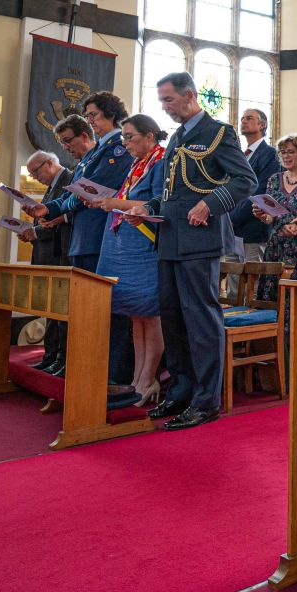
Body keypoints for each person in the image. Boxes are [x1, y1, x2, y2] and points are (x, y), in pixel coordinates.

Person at [144, 72, 258, 431]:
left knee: (200, 320)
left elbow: (245, 180)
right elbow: (172, 191)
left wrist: (210, 204)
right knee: (172, 318)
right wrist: (147, 209)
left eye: (168, 99)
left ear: (189, 96)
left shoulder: (218, 133)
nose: (164, 107)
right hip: (169, 238)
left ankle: (206, 400)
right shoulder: (178, 137)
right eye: (162, 101)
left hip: (198, 239)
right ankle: (181, 390)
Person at [27, 114, 131, 391]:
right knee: (84, 312)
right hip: (81, 241)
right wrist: (52, 208)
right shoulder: (88, 160)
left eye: (67, 141)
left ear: (84, 136)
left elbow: (92, 193)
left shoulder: (111, 153)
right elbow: (76, 196)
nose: (65, 148)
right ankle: (82, 364)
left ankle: (108, 372)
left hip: (98, 239)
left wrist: (59, 208)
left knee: (104, 311)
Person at [92, 114, 169, 407]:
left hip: (146, 247)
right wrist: (105, 200)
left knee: (151, 313)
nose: (124, 143)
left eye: (129, 137)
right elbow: (130, 198)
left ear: (149, 136)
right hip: (127, 247)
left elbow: (157, 203)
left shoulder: (160, 162)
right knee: (136, 316)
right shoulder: (138, 163)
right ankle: (137, 379)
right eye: (123, 137)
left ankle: (149, 379)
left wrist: (114, 203)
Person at [22, 150, 72, 373]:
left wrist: (36, 233)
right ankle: (50, 356)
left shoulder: (68, 179)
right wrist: (31, 230)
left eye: (35, 172)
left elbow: (64, 222)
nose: (34, 177)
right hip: (47, 254)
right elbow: (48, 219)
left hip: (59, 254)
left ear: (49, 164)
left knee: (60, 312)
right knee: (51, 311)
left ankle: (61, 358)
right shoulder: (53, 185)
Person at [251, 133, 297, 297]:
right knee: (270, 295)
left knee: (295, 298)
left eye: (291, 152)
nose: (286, 156)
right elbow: (271, 217)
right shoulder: (274, 179)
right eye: (283, 152)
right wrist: (263, 216)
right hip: (276, 246)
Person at [228, 108, 280, 261]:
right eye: (242, 119)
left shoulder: (270, 154)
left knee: (253, 275)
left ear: (262, 125)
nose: (243, 121)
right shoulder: (241, 155)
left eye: (249, 118)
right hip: (233, 230)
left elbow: (262, 191)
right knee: (231, 274)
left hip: (254, 228)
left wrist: (233, 218)